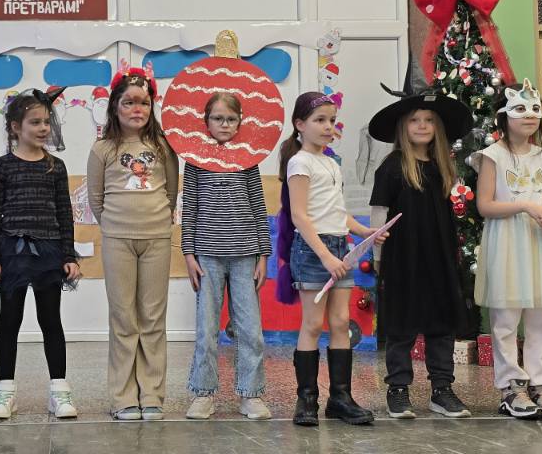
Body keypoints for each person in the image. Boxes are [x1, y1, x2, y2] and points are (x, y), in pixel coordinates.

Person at [368, 84, 474, 419]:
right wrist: (378, 259)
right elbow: (378, 215)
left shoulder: (443, 167)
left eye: (429, 120)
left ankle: (442, 389)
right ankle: (398, 388)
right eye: (415, 120)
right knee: (402, 324)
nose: (422, 125)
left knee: (441, 323)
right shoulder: (392, 166)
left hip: (439, 256)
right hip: (403, 257)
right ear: (403, 126)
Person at [474, 80, 542, 419]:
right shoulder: (493, 156)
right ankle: (511, 387)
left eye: (534, 109)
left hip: (540, 242)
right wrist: (526, 207)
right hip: (507, 241)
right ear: (503, 116)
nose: (529, 116)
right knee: (506, 318)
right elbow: (485, 205)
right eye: (520, 109)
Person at [277, 91, 375, 426]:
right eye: (319, 120)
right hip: (312, 250)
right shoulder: (299, 162)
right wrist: (325, 256)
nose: (328, 126)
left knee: (340, 322)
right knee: (313, 324)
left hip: (339, 248)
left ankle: (340, 398)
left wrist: (363, 230)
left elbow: (337, 212)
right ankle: (306, 399)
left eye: (332, 120)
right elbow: (300, 216)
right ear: (300, 124)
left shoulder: (332, 163)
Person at [86, 67, 179, 420]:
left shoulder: (163, 146)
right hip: (117, 240)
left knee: (153, 318)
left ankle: (152, 395)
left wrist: (157, 221)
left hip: (156, 239)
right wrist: (115, 225)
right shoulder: (103, 149)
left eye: (144, 103)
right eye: (129, 103)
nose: (137, 109)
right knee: (124, 318)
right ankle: (123, 397)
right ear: (115, 106)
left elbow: (171, 193)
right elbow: (96, 200)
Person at [0, 89, 80, 420]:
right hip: (12, 252)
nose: (43, 128)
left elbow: (65, 213)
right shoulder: (2, 166)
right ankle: (5, 391)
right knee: (9, 321)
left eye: (46, 122)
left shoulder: (56, 167)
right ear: (15, 127)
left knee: (50, 320)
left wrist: (69, 255)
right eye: (35, 122)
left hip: (49, 253)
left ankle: (59, 391)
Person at [182, 91, 271, 419]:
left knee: (250, 329)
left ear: (239, 122)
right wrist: (188, 253)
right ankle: (203, 393)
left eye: (231, 119)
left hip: (245, 255)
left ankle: (251, 394)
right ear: (206, 121)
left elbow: (259, 208)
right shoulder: (195, 160)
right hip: (207, 256)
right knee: (206, 330)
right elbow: (189, 209)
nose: (224, 124)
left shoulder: (248, 159)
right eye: (218, 118)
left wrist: (263, 255)